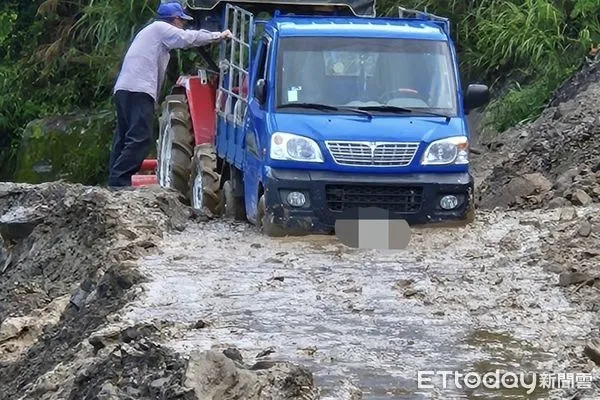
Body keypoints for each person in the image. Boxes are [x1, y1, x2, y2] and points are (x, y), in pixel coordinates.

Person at [108, 2, 232, 188]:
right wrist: (219, 36)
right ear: (175, 19)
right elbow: (187, 38)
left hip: (125, 88)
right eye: (182, 21)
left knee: (124, 136)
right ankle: (119, 180)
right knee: (140, 138)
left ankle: (114, 180)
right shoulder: (161, 29)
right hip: (138, 89)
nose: (183, 25)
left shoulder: (150, 32)